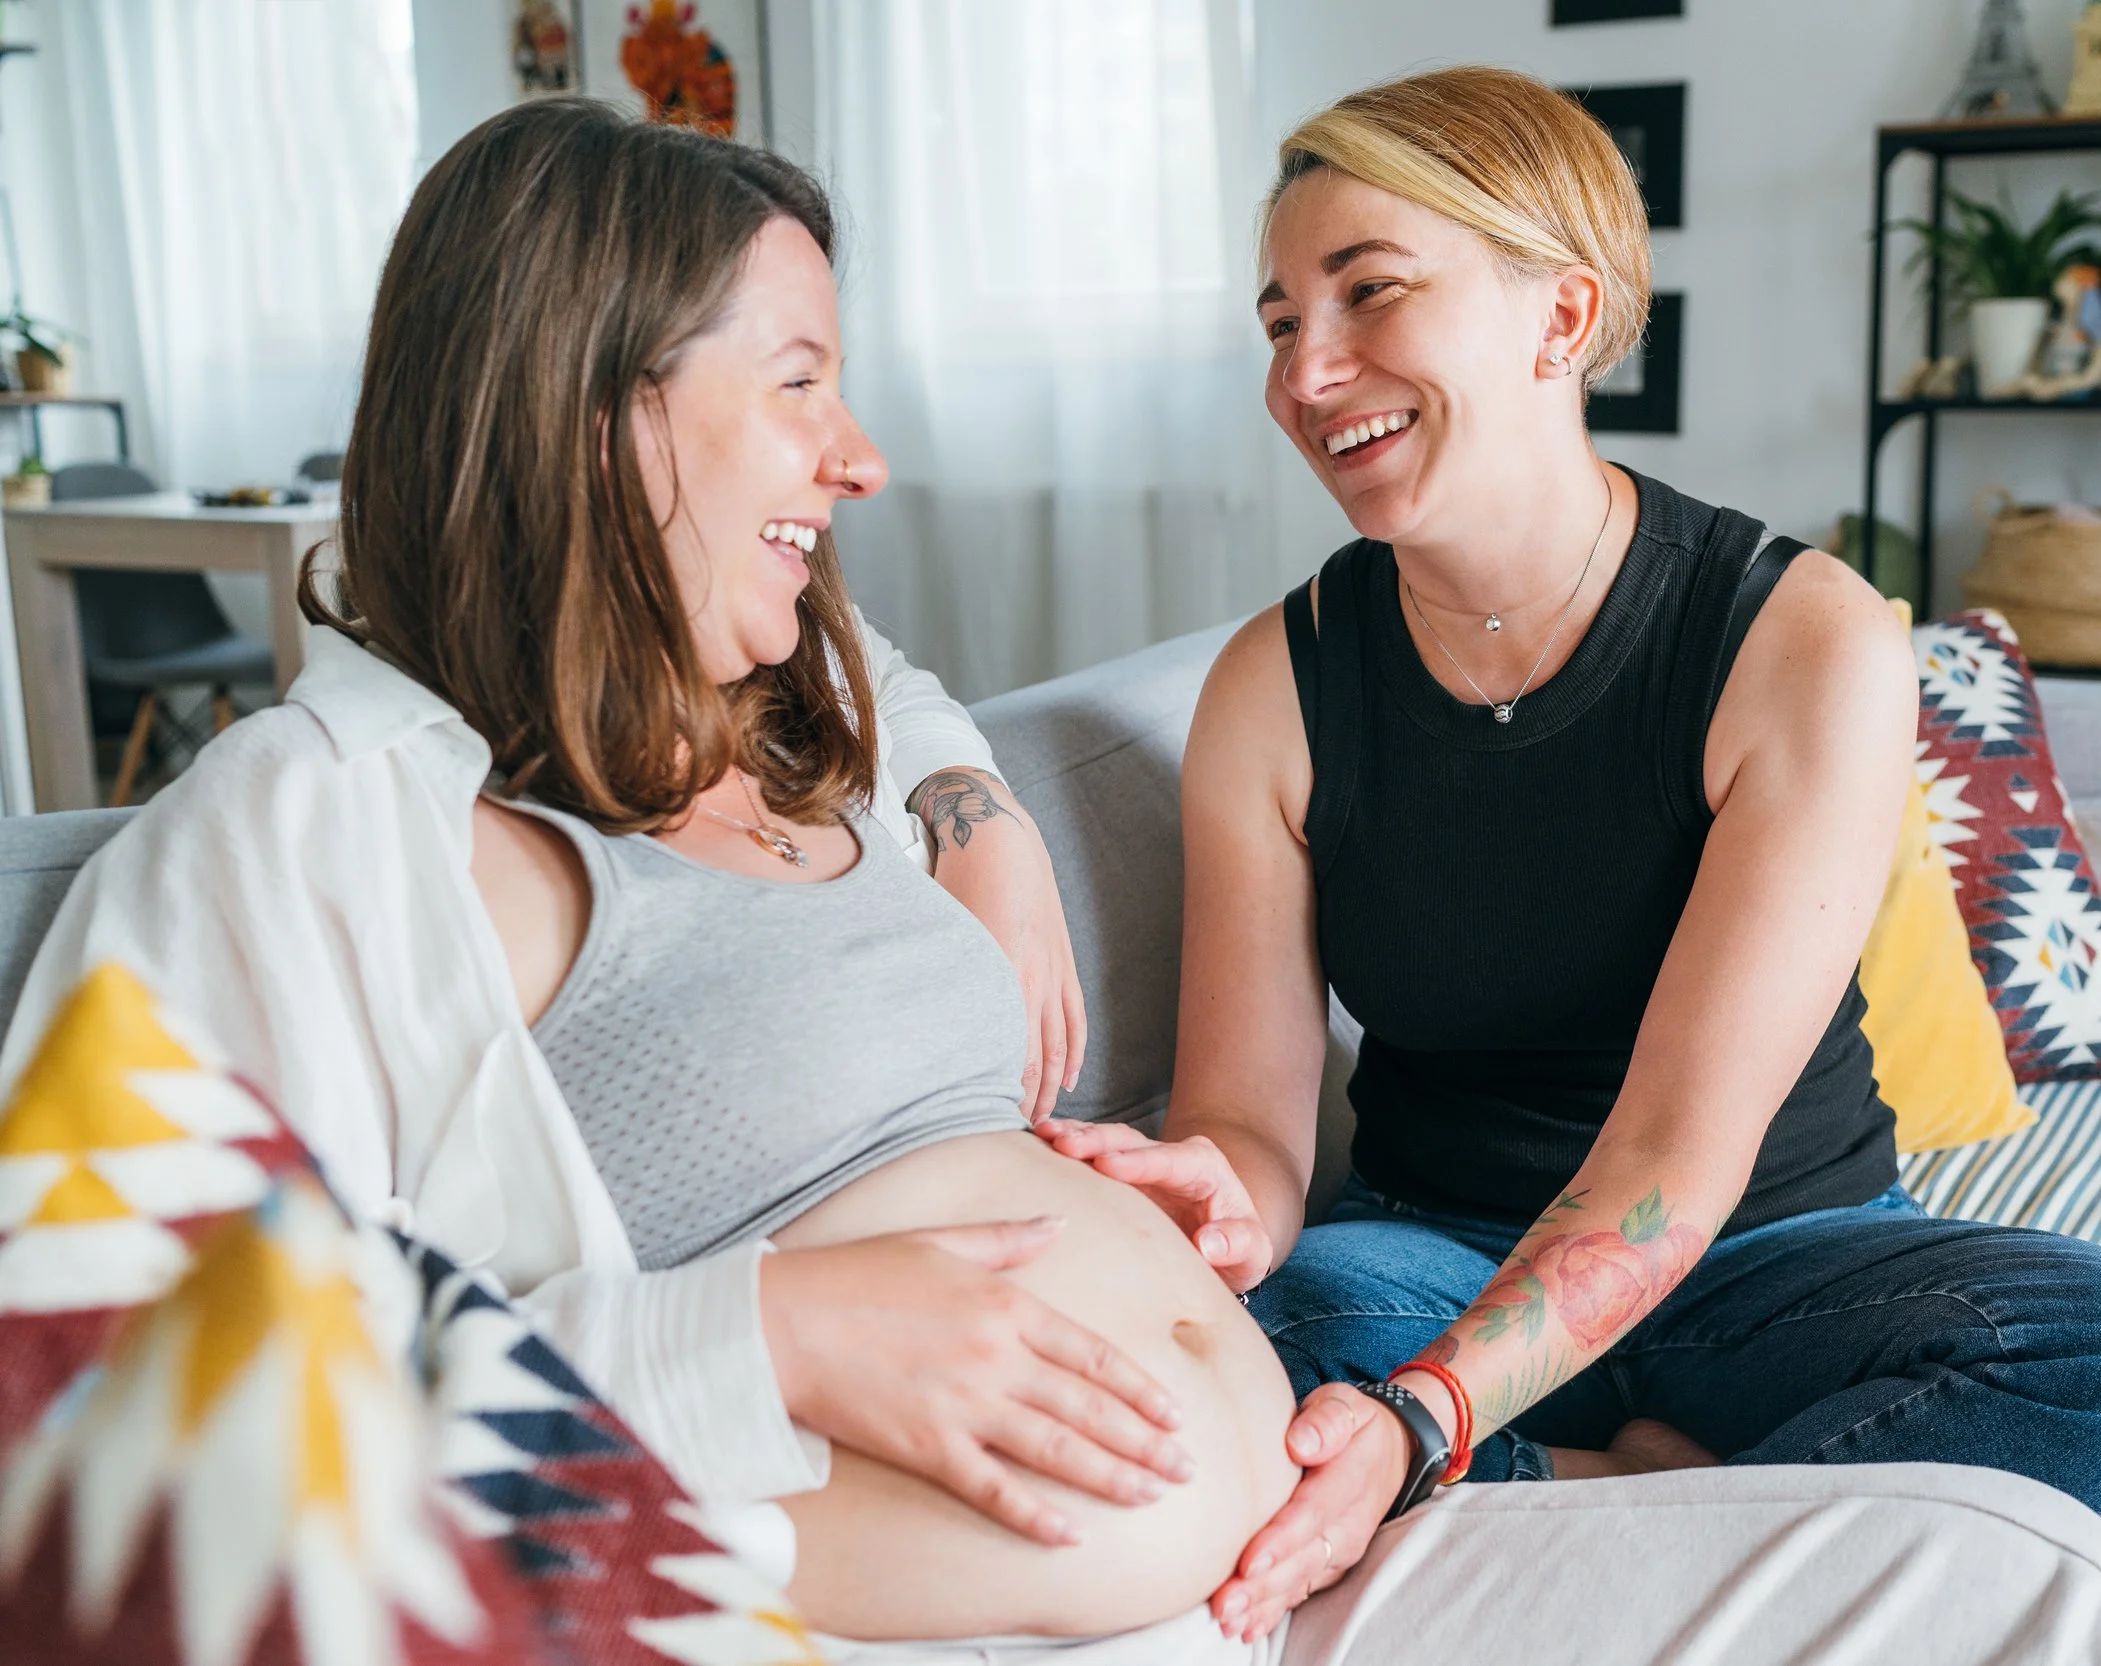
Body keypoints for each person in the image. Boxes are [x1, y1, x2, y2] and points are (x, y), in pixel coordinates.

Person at [0, 97, 1297, 1644]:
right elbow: (126, 1377)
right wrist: (762, 1337)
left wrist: (975, 812)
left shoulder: (791, 719)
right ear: (595, 413)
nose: (862, 456)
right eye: (800, 381)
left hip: (1258, 1577)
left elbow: (894, 679)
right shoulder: (319, 820)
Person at [1040, 65, 2101, 1645]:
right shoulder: (1274, 691)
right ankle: (1670, 1496)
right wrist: (1219, 1192)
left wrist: (1423, 1423)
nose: (1307, 370)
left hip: (1776, 1256)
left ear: (1561, 319)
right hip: (1436, 1260)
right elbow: (1252, 1132)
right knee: (1247, 1346)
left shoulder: (1793, 637)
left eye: (1369, 294)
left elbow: (1672, 1174)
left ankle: (1563, 1499)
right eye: (1280, 321)